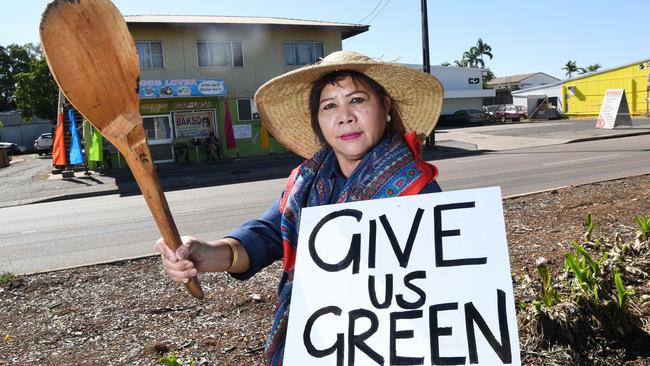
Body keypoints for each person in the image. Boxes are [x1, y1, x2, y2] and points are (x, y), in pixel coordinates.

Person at [154, 50, 444, 365]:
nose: (344, 115)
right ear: (318, 121)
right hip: (317, 344)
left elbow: (443, 290)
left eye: (358, 100)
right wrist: (207, 253)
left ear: (385, 106)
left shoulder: (419, 190)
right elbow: (268, 234)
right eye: (329, 106)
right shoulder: (306, 182)